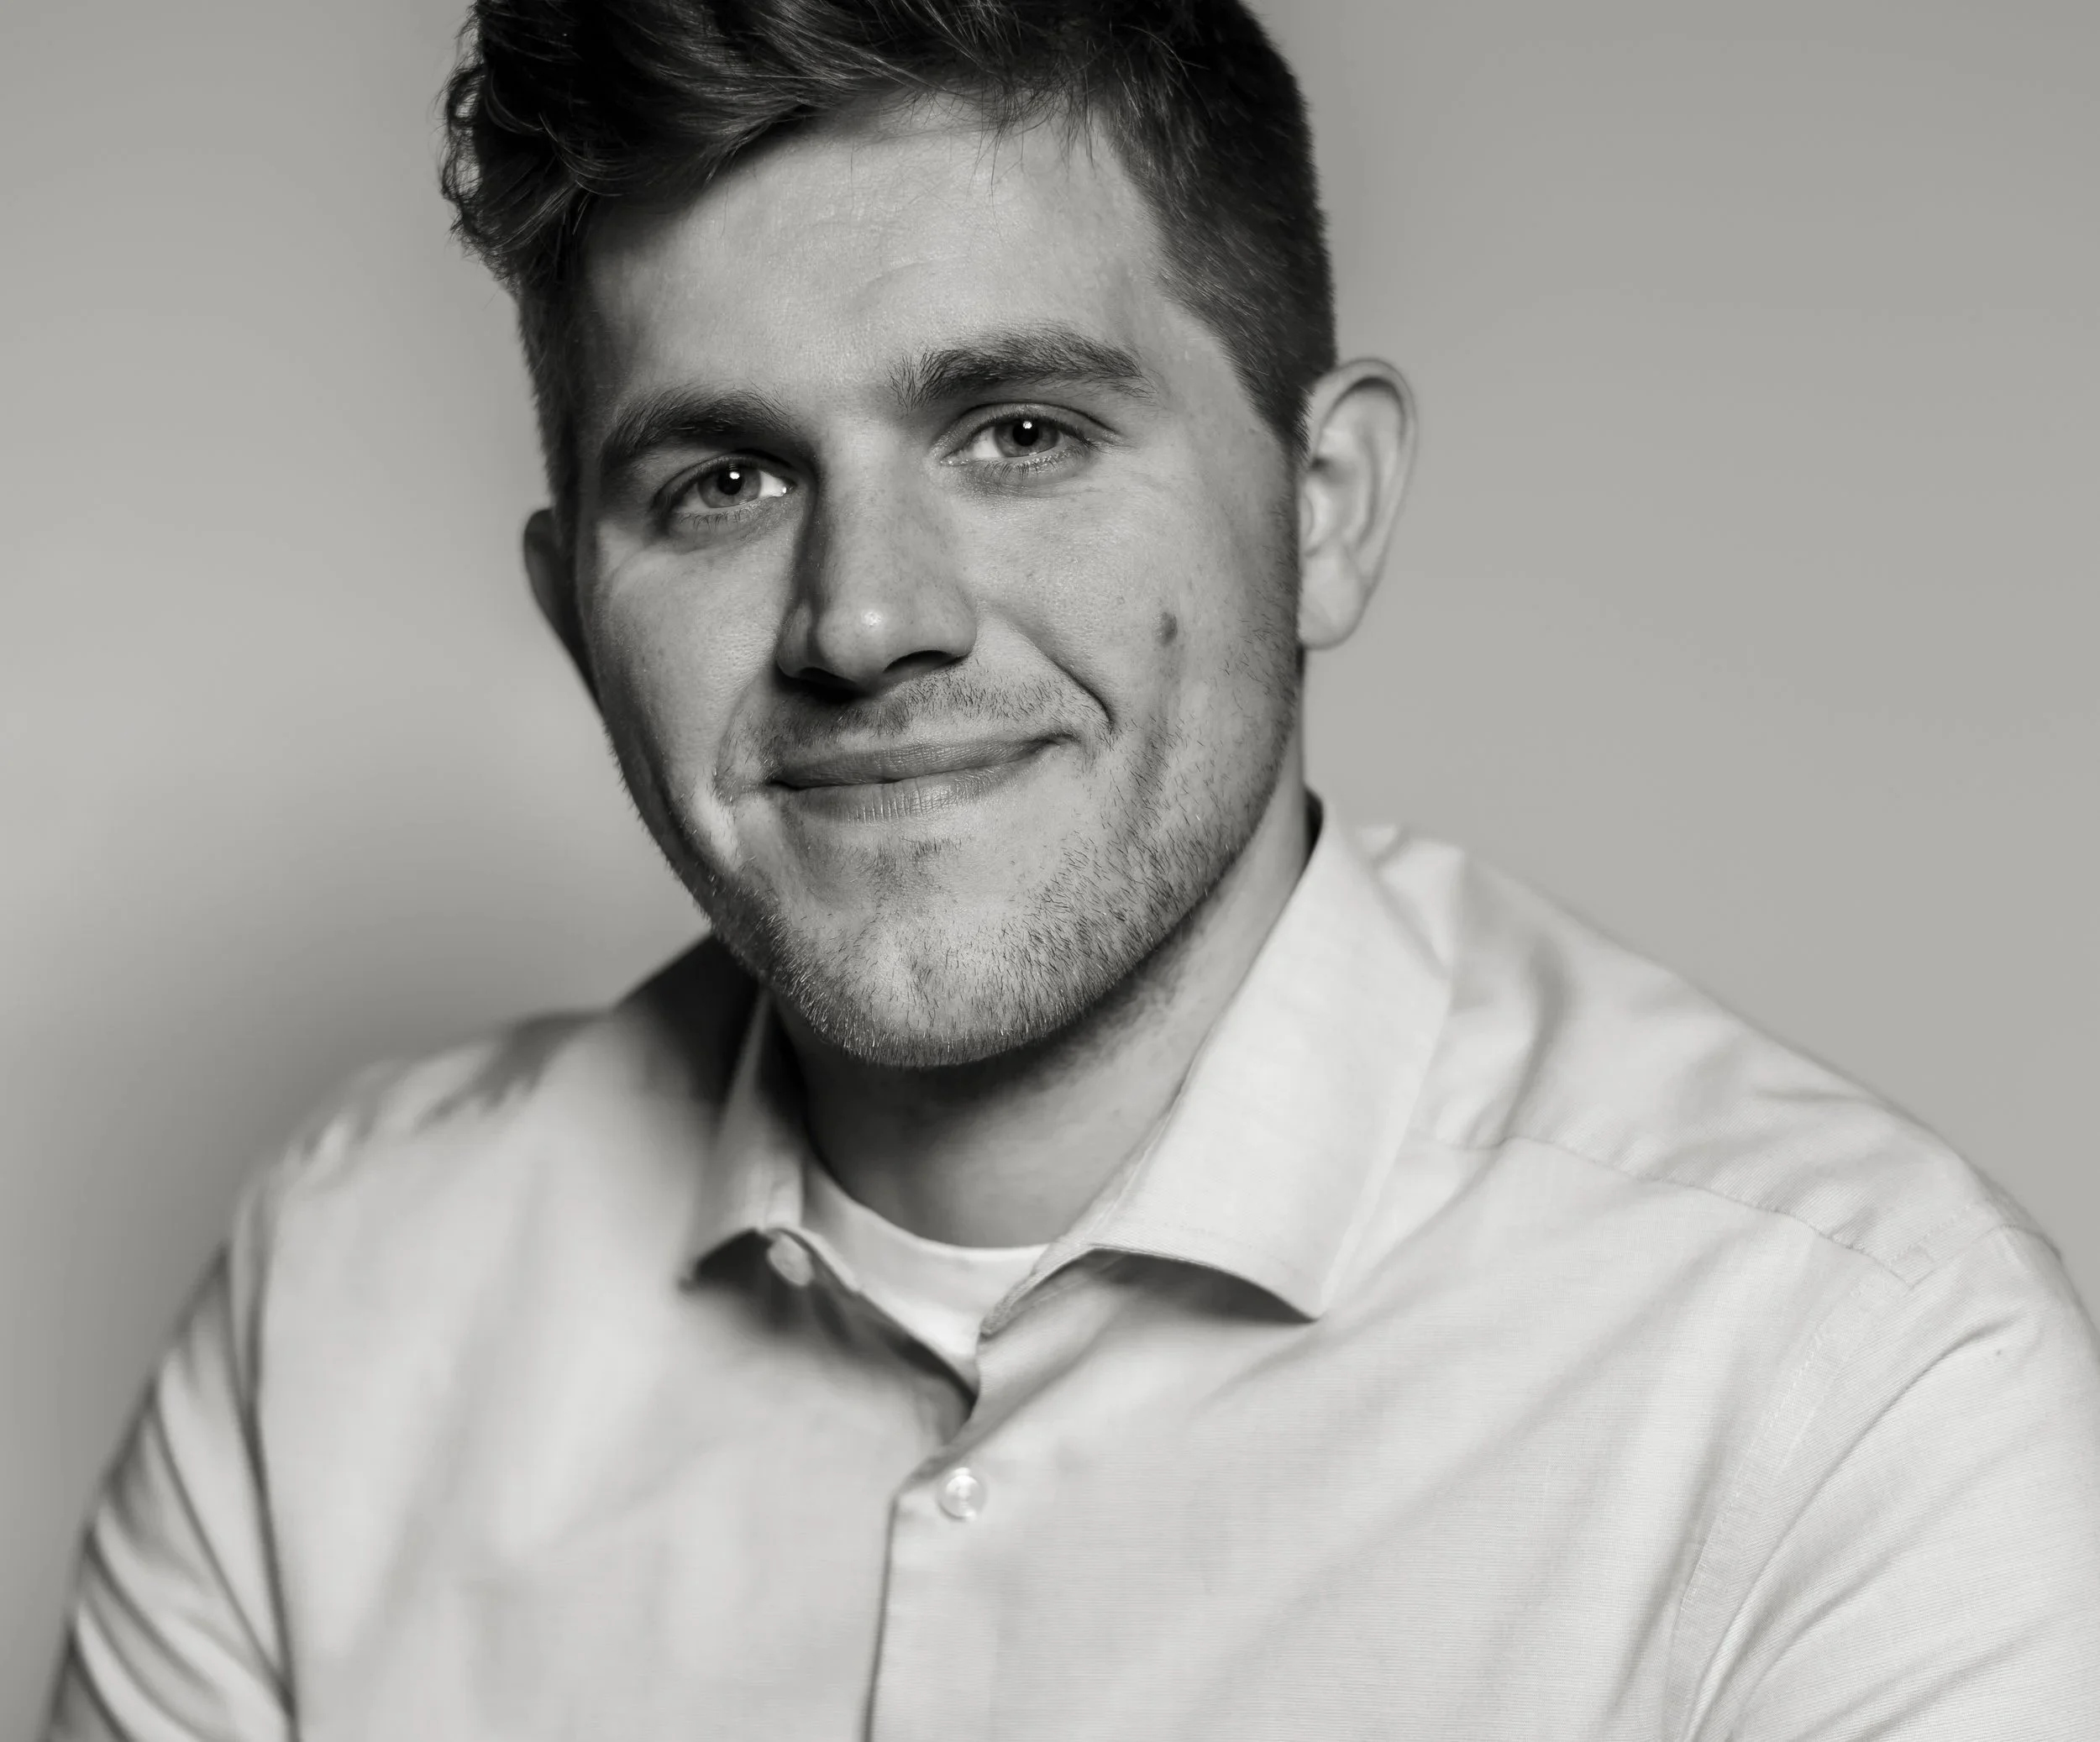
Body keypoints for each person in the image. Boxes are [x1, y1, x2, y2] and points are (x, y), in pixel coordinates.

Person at [45, 0, 2100, 1735]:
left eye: (1017, 430)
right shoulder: (339, 1302)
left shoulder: (1854, 1394)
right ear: (572, 605)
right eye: (721, 481)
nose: (863, 621)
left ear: (1321, 509)